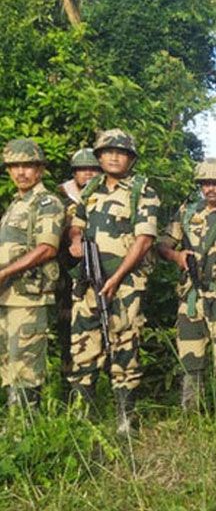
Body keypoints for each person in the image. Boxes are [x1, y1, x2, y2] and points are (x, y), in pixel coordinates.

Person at [67, 129, 160, 436]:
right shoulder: (90, 188)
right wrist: (76, 241)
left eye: (120, 152)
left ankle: (125, 421)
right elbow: (77, 224)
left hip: (125, 286)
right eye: (108, 152)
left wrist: (116, 278)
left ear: (130, 158)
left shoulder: (142, 190)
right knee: (84, 349)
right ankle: (83, 421)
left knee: (123, 348)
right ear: (99, 157)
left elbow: (144, 240)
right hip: (88, 284)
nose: (114, 156)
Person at [157, 158, 216, 410]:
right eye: (205, 183)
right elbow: (163, 244)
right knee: (190, 358)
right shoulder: (188, 212)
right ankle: (192, 416)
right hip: (192, 295)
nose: (210, 189)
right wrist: (176, 256)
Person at [0, 139, 63, 408]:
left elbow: (47, 248)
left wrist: (4, 273)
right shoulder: (16, 204)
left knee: (26, 366)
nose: (20, 172)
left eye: (27, 165)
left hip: (29, 295)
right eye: (14, 166)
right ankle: (14, 429)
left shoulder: (47, 202)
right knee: (8, 363)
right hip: (7, 294)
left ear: (40, 170)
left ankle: (26, 432)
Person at [55, 148, 102, 392]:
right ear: (74, 173)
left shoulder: (103, 197)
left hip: (97, 273)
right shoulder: (61, 200)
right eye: (83, 169)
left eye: (93, 169)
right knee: (68, 334)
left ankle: (90, 388)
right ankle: (69, 389)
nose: (88, 174)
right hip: (67, 276)